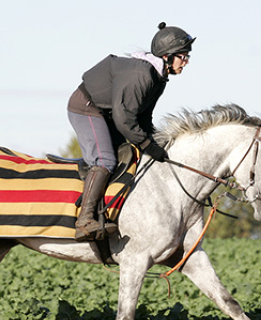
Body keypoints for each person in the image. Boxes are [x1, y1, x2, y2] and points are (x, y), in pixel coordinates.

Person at [67, 21, 195, 241]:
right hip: (86, 108)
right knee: (106, 160)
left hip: (107, 113)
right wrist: (147, 145)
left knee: (128, 153)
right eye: (183, 56)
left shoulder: (158, 78)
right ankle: (85, 220)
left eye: (187, 57)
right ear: (166, 56)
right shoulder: (142, 76)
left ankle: (105, 212)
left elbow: (143, 118)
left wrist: (155, 144)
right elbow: (124, 118)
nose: (186, 62)